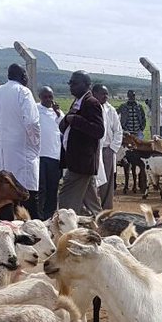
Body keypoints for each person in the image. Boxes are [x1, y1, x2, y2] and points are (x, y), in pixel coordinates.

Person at [0, 64, 41, 219]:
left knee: (5, 195)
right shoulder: (23, 92)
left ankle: (6, 228)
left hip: (1, 151)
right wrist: (34, 143)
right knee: (26, 196)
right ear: (23, 76)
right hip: (22, 151)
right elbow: (32, 122)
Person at [58, 71, 104, 215]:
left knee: (66, 200)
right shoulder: (78, 102)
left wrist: (75, 120)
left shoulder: (91, 103)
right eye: (70, 83)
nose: (71, 86)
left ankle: (66, 226)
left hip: (81, 162)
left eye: (75, 83)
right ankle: (102, 223)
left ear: (86, 85)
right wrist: (67, 119)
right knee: (91, 203)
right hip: (78, 161)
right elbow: (64, 126)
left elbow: (99, 130)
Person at [36, 86, 63, 219]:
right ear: (40, 97)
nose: (48, 99)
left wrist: (58, 114)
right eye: (45, 97)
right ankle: (39, 215)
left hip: (54, 155)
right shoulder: (35, 109)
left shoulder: (58, 112)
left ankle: (50, 215)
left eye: (50, 97)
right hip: (39, 155)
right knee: (41, 188)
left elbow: (63, 128)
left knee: (53, 187)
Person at [95, 84, 122, 210]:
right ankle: (92, 208)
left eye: (107, 94)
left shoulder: (110, 110)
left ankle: (106, 208)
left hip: (107, 149)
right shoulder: (90, 107)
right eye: (102, 94)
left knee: (107, 180)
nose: (105, 96)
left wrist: (112, 149)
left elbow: (118, 130)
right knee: (92, 179)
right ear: (94, 94)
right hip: (93, 149)